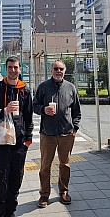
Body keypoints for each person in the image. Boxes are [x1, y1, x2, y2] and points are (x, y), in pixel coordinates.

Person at [0, 55, 34, 217]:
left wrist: (28, 140)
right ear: (5, 69)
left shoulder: (25, 90)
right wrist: (4, 111)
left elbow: (29, 117)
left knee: (15, 180)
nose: (13, 71)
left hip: (19, 145)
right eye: (10, 68)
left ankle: (10, 213)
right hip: (1, 144)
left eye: (16, 67)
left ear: (20, 69)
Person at [33, 59, 81, 208]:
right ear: (51, 70)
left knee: (65, 164)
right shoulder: (43, 87)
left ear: (65, 71)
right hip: (48, 133)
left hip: (66, 133)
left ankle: (63, 192)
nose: (58, 71)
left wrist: (75, 127)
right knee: (45, 166)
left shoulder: (70, 88)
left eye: (61, 69)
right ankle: (44, 195)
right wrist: (43, 110)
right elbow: (34, 105)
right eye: (56, 69)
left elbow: (76, 110)